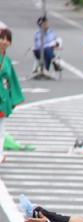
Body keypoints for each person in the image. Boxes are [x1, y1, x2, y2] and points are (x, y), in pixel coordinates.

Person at [0, 28, 24, 165]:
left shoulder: (7, 60)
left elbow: (12, 81)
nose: (4, 41)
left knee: (1, 129)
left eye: (7, 39)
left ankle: (0, 154)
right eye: (2, 38)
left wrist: (13, 98)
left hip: (2, 97)